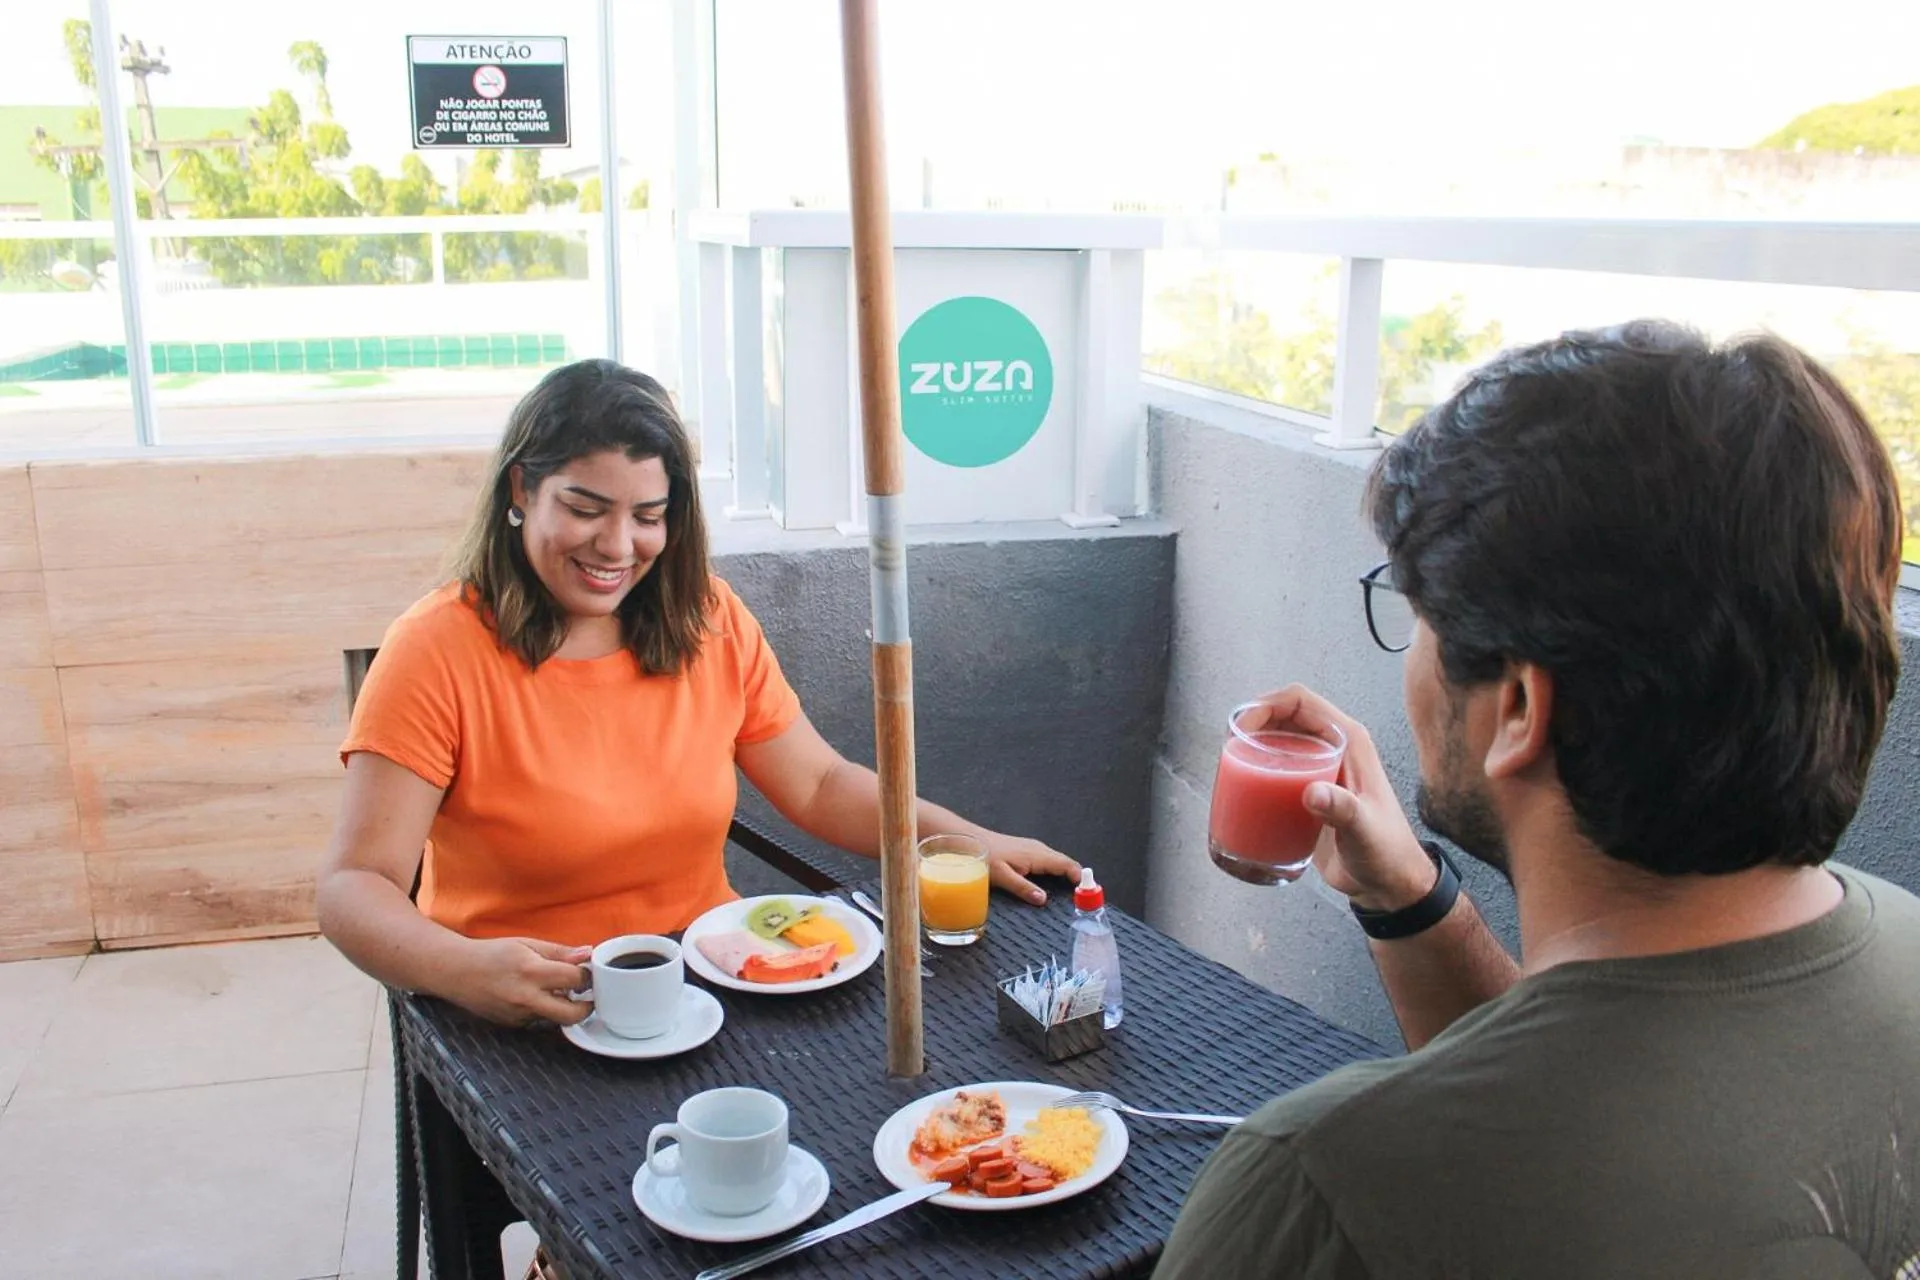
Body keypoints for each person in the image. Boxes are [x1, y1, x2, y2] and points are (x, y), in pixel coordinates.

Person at [1157, 322, 1920, 1280]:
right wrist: (1410, 900)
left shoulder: (1329, 1188)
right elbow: (1591, 1075)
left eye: (1419, 614)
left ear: (1515, 706)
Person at [318, 359, 1079, 1028]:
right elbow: (355, 887)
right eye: (586, 509)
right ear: (522, 487)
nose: (617, 547)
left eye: (648, 517)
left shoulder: (708, 619)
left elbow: (817, 784)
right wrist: (461, 970)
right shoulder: (436, 650)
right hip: (520, 1009)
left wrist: (957, 842)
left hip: (709, 984)